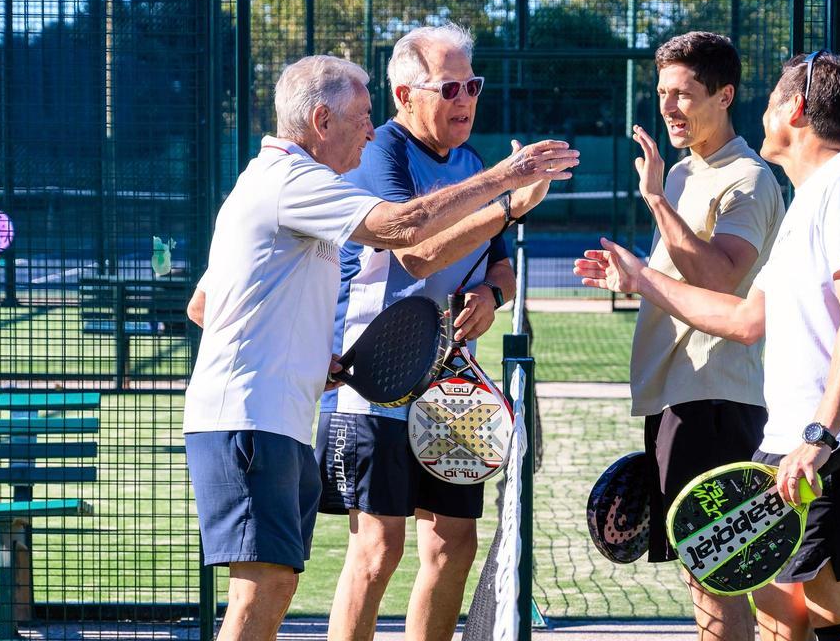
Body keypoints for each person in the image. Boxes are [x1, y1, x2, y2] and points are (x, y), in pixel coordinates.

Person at [182, 54, 578, 641]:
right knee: (263, 586)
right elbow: (406, 231)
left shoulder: (281, 185)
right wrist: (506, 181)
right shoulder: (291, 179)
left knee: (275, 584)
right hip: (247, 418)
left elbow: (204, 305)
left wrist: (303, 356)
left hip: (274, 414)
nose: (371, 129)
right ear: (321, 120)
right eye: (362, 116)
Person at [576, 51, 840, 641]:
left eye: (774, 99)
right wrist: (639, 279)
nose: (764, 109)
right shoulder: (807, 200)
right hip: (786, 448)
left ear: (796, 110)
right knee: (779, 619)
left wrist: (820, 438)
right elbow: (747, 318)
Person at [316, 23, 557, 641]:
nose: (465, 100)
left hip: (455, 394)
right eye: (449, 87)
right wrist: (506, 198)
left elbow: (499, 262)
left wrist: (492, 293)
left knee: (453, 544)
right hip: (375, 384)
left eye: (471, 85)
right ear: (404, 95)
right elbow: (415, 251)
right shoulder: (380, 152)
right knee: (378, 549)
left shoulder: (476, 163)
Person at [622, 32, 783, 641]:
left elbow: (720, 275)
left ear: (725, 95)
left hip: (716, 400)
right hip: (679, 397)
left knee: (714, 573)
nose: (668, 107)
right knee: (718, 573)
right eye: (663, 93)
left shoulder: (748, 178)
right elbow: (679, 278)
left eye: (684, 94)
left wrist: (657, 201)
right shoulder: (688, 172)